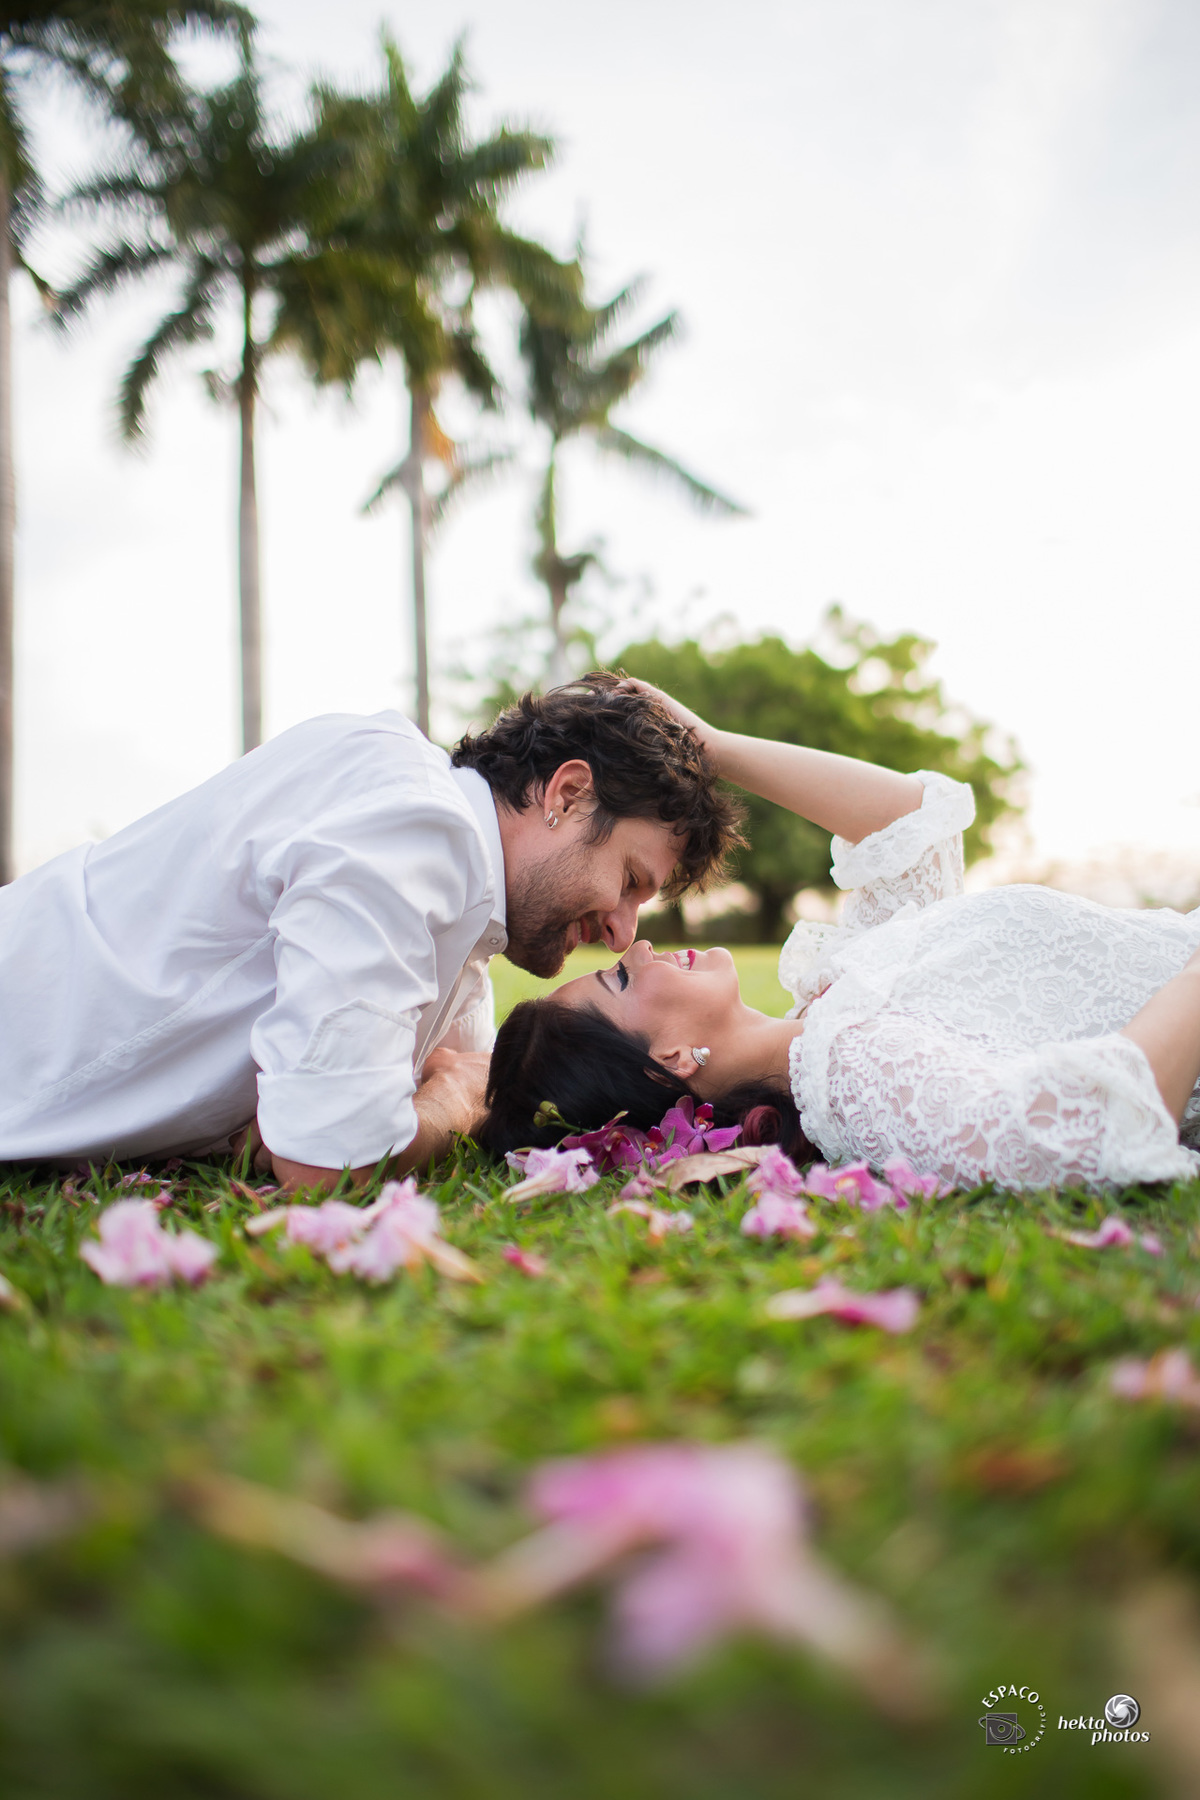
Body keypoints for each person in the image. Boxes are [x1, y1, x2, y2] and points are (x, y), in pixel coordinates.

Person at [0, 676, 740, 1191]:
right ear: (568, 794)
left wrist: (435, 1100)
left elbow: (466, 1083)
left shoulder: (461, 921)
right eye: (631, 881)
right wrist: (445, 1107)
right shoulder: (414, 827)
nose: (621, 931)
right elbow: (328, 1162)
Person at [480, 682, 1200, 1193]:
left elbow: (910, 827)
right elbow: (1072, 1134)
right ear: (668, 1059)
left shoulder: (834, 1009)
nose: (634, 946)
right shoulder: (849, 1072)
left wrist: (708, 746)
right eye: (621, 981)